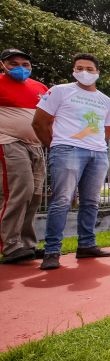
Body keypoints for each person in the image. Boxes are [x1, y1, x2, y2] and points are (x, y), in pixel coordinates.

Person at [32, 53, 110, 270]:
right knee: (62, 200)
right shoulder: (60, 91)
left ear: (97, 72)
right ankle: (52, 251)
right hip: (67, 150)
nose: (84, 72)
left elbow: (107, 130)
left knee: (91, 201)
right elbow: (39, 122)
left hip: (97, 153)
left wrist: (95, 145)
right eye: (79, 68)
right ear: (73, 70)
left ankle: (86, 245)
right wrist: (56, 145)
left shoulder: (106, 100)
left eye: (90, 69)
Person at [0, 49, 48, 263]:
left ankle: (26, 244)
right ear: (3, 65)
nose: (20, 67)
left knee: (35, 193)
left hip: (36, 144)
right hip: (8, 141)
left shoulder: (40, 88)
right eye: (13, 63)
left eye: (25, 64)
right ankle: (9, 244)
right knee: (20, 190)